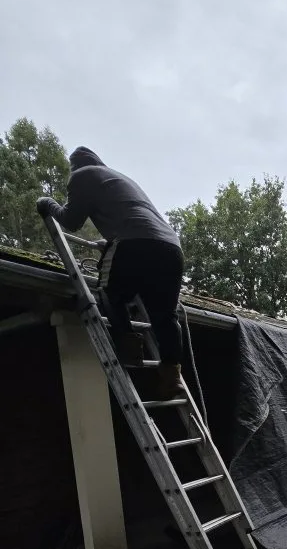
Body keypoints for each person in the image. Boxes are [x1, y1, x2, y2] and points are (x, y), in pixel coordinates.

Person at [37, 147, 183, 400]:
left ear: (75, 165)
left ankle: (128, 346)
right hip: (171, 248)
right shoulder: (119, 179)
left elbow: (71, 221)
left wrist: (47, 203)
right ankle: (172, 378)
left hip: (134, 241)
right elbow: (131, 216)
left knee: (108, 291)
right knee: (165, 316)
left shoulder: (81, 175)